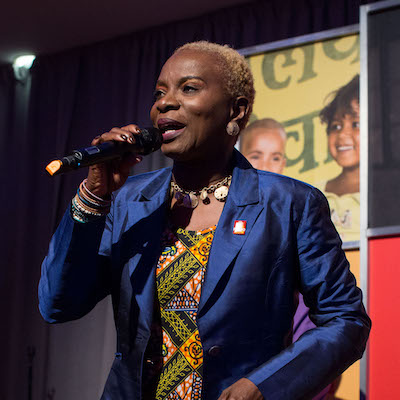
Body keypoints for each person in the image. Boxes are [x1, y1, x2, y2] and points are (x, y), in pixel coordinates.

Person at [39, 42, 370, 400]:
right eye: (159, 93)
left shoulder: (289, 204)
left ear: (236, 111)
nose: (165, 102)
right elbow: (59, 303)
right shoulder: (130, 202)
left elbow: (345, 320)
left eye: (190, 88)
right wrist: (94, 195)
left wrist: (264, 386)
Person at [241, 119, 341, 400]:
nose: (266, 165)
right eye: (256, 155)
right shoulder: (221, 213)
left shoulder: (300, 209)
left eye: (275, 157)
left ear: (284, 162)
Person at [319, 75, 360, 242]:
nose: (342, 134)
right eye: (336, 126)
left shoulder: (383, 192)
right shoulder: (315, 193)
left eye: (356, 124)